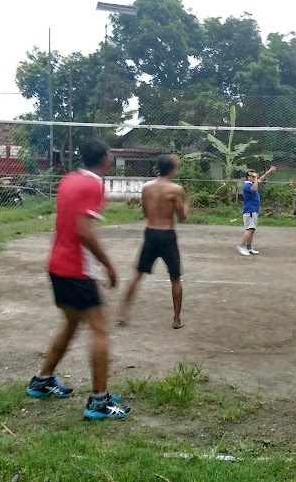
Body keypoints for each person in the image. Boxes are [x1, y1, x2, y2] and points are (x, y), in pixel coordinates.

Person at [26, 138, 130, 420]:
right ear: (105, 158)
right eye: (111, 153)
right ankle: (98, 401)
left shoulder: (70, 179)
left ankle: (42, 380)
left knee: (71, 323)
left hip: (56, 265)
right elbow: (83, 230)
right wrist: (108, 265)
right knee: (99, 329)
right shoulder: (93, 184)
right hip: (75, 269)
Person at [118, 154, 188, 329]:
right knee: (175, 277)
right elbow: (182, 217)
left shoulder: (147, 187)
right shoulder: (175, 189)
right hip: (167, 234)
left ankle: (122, 312)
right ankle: (177, 319)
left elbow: (146, 212)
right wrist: (188, 205)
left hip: (150, 232)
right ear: (172, 169)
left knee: (137, 273)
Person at [237, 165, 277, 256]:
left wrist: (268, 172)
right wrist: (255, 179)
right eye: (253, 176)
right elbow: (255, 189)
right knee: (250, 229)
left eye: (254, 176)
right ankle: (241, 246)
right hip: (249, 210)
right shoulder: (247, 185)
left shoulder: (252, 183)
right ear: (248, 177)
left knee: (252, 230)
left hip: (254, 210)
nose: (255, 178)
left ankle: (249, 248)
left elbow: (260, 180)